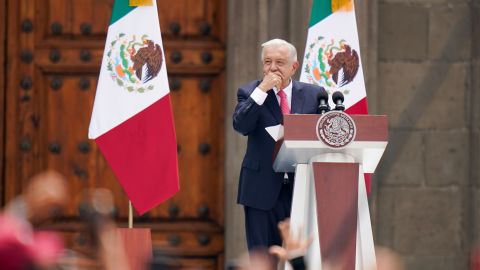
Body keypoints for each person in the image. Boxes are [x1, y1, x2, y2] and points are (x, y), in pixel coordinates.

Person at [233, 38, 324, 251]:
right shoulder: (249, 93)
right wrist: (262, 91)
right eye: (267, 62)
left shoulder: (314, 94)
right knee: (262, 257)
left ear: (294, 66)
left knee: (302, 255)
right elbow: (241, 125)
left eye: (279, 62)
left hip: (301, 186)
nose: (272, 68)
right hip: (261, 187)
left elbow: (323, 133)